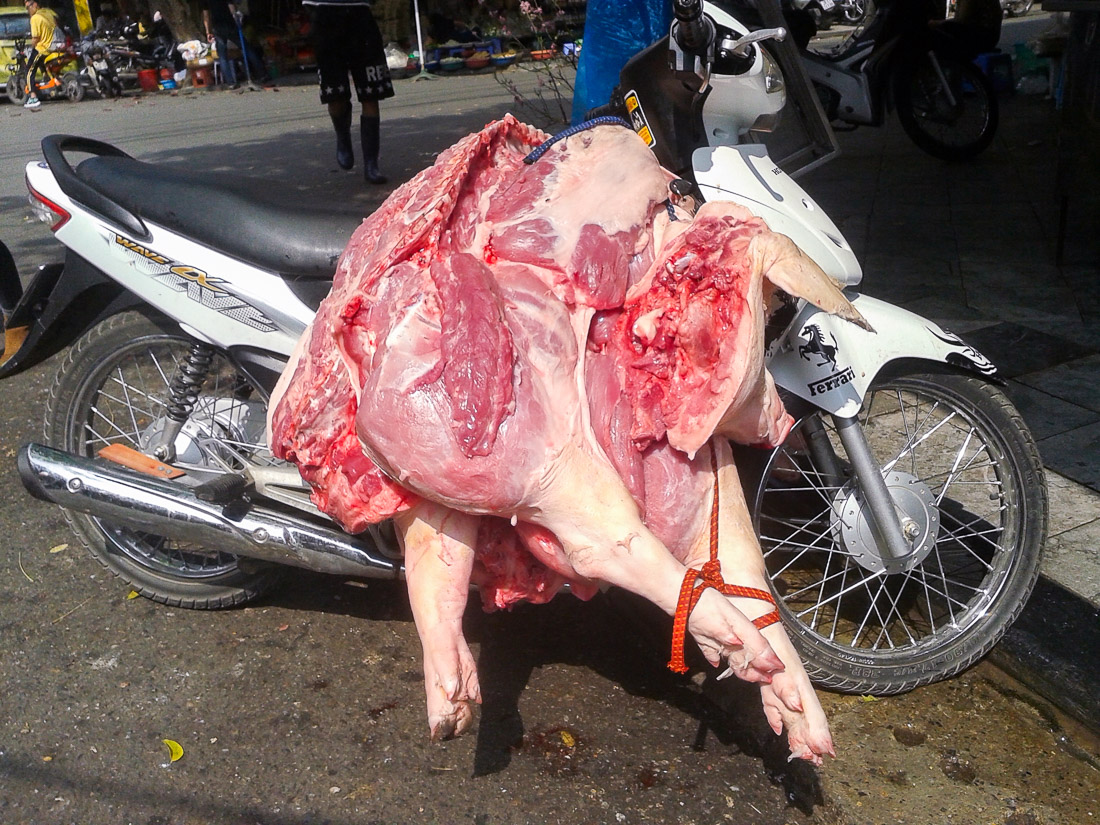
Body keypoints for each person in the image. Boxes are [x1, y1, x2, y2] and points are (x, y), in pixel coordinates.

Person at [302, 0, 393, 183]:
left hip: (360, 14)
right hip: (325, 14)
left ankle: (371, 165)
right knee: (335, 96)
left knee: (371, 93)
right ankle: (343, 136)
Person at [203, 0, 262, 89]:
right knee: (247, 48)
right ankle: (262, 74)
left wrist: (208, 32)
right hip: (229, 25)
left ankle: (231, 83)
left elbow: (206, 16)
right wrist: (237, 20)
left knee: (222, 56)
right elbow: (231, 7)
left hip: (218, 28)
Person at [22, 0, 61, 110]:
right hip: (54, 46)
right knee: (38, 64)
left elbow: (35, 38)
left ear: (34, 4)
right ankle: (46, 77)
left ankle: (33, 97)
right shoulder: (47, 12)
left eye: (28, 7)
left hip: (43, 48)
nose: (28, 10)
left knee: (29, 70)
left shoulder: (35, 18)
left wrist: (31, 47)